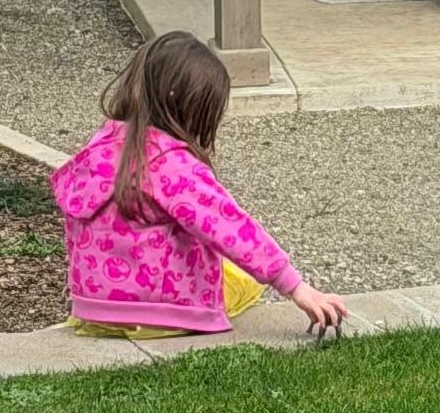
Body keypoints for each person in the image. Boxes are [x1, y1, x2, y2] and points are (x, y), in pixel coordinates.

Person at [53, 30, 349, 340]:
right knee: (244, 280)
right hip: (162, 311)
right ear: (191, 109)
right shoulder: (171, 164)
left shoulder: (98, 146)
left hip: (93, 307)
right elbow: (230, 227)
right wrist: (296, 287)